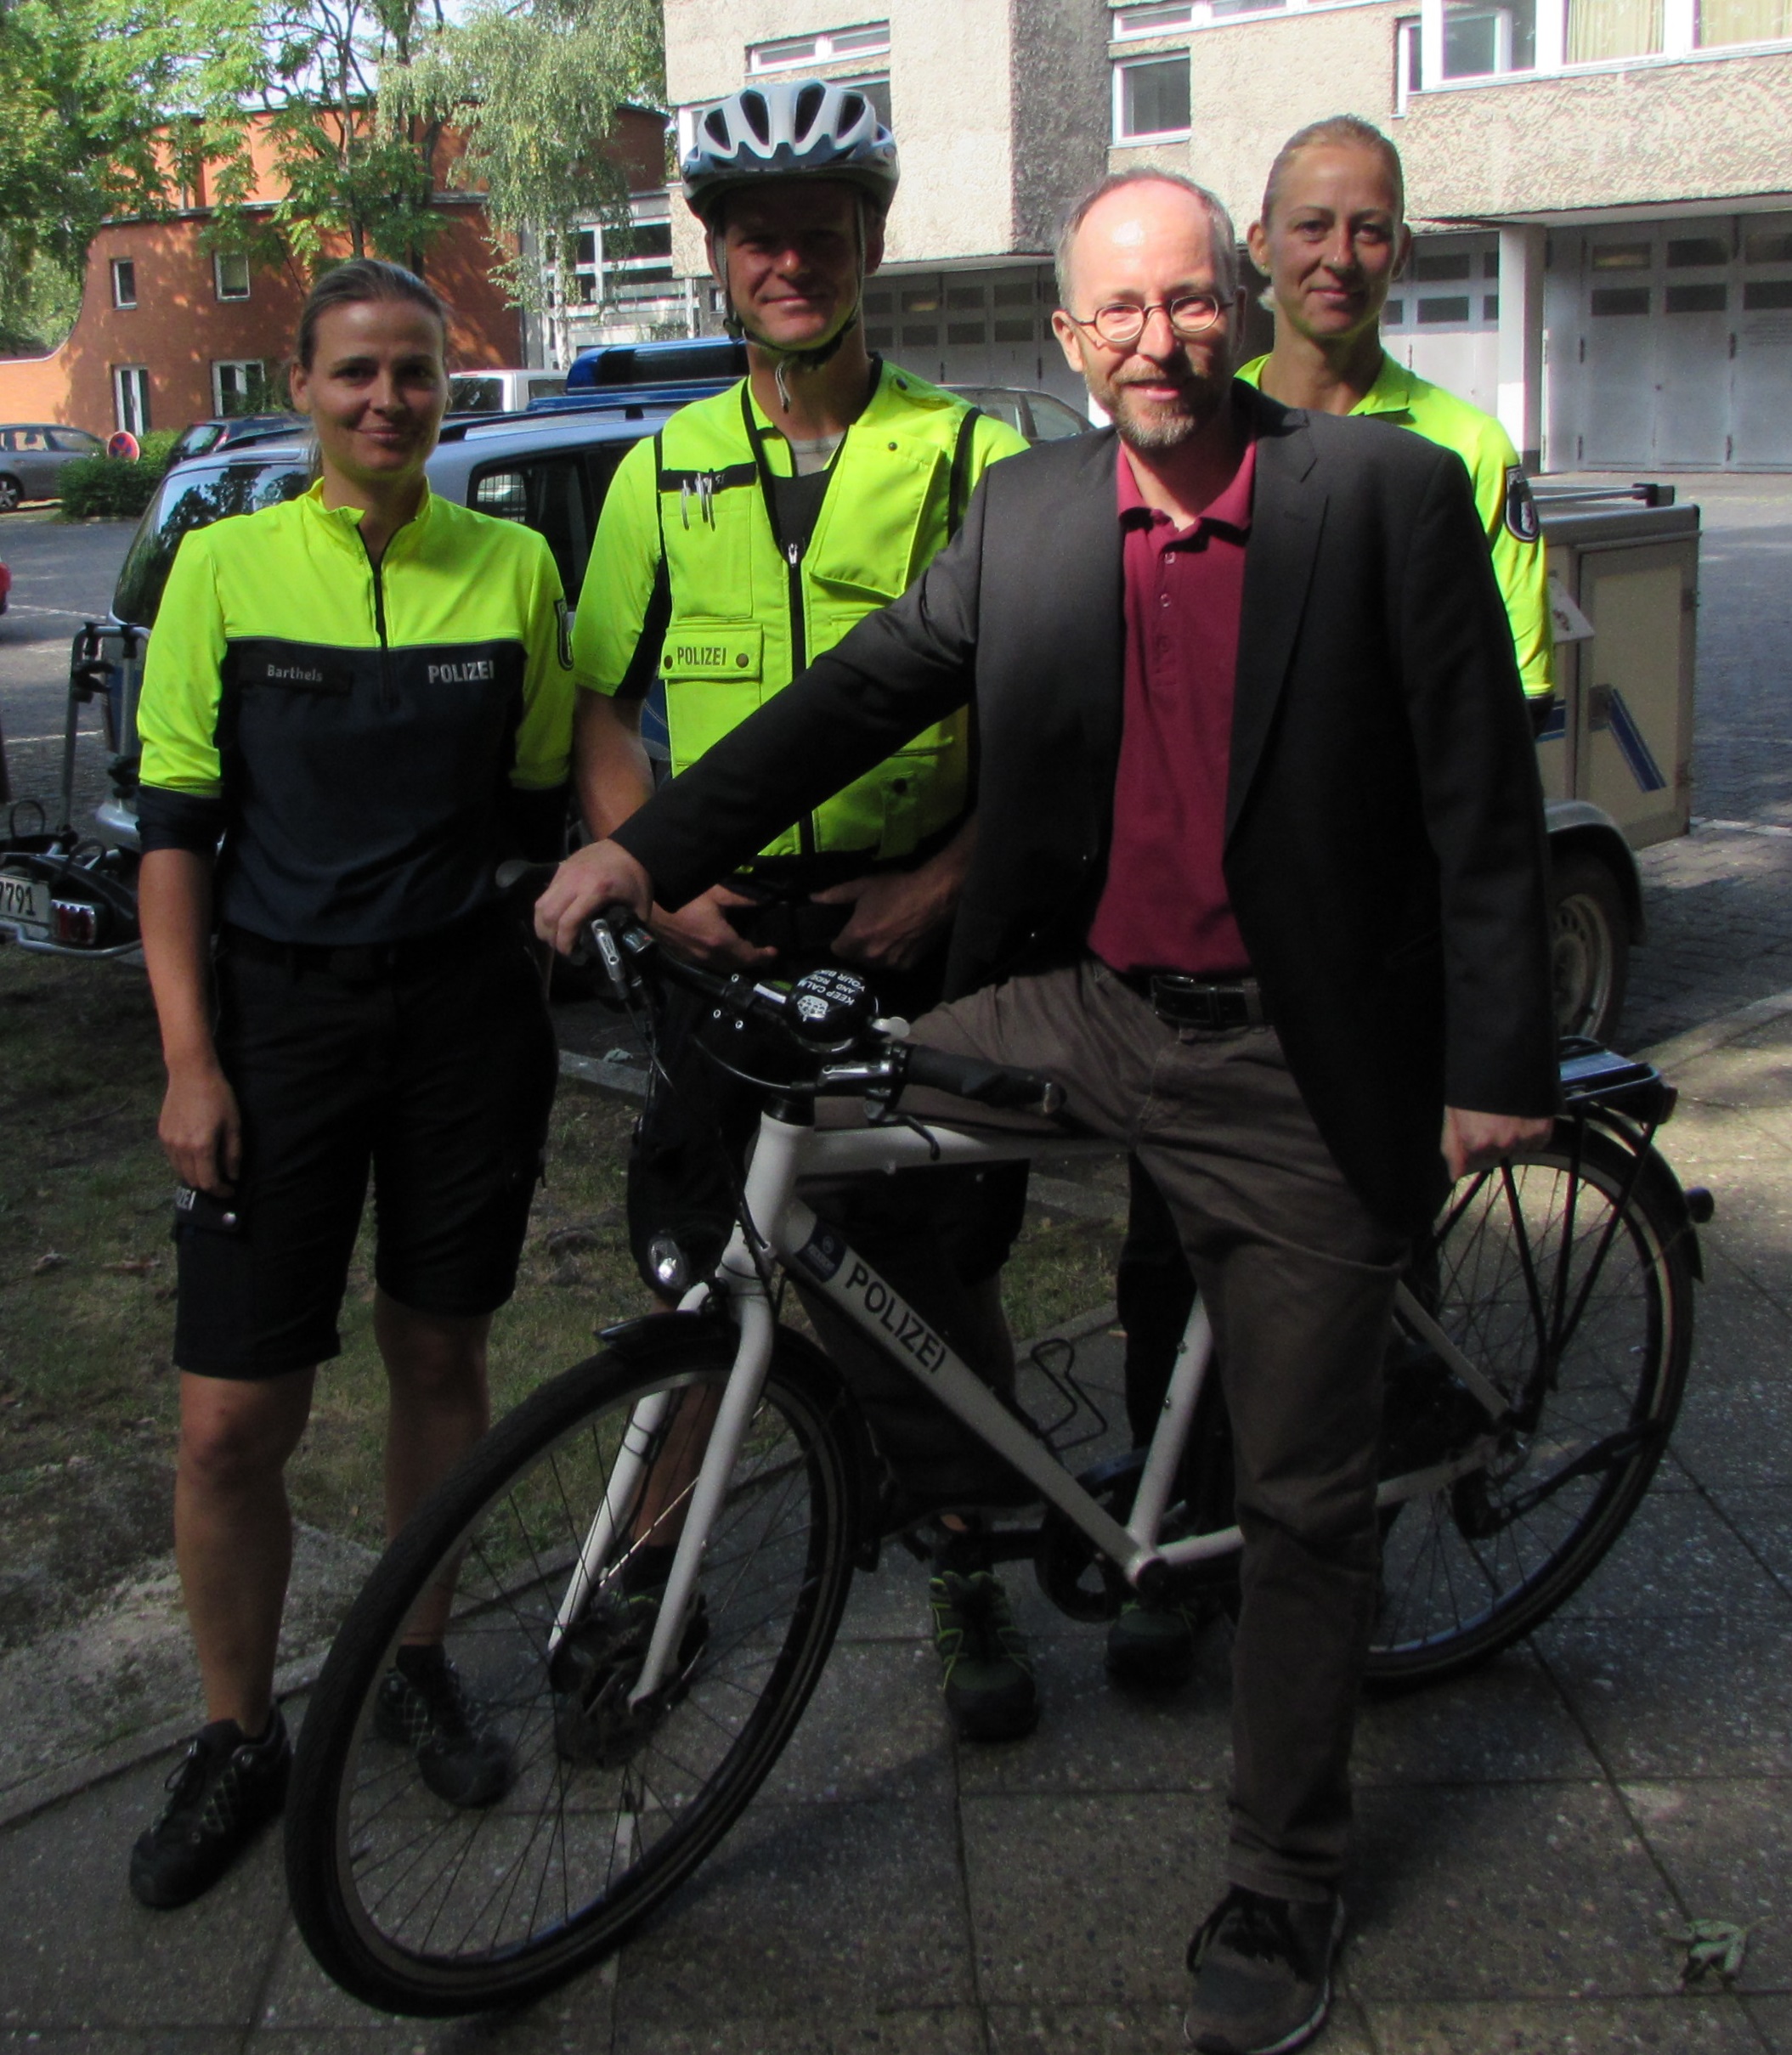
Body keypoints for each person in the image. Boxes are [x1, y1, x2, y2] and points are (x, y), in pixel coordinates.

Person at [539, 168, 1557, 2055]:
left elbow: (1482, 796)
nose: (1152, 343)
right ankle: (979, 1527)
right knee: (813, 1123)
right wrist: (639, 851)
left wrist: (1492, 1065)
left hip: (1291, 1054)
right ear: (1070, 339)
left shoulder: (1381, 498)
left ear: (1238, 306)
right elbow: (847, 698)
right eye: (1115, 315)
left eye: (1186, 303)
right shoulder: (1025, 518)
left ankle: (1281, 1874)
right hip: (1087, 1008)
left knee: (1300, 1498)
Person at [571, 78, 1037, 1742]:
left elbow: (1054, 714)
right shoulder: (660, 466)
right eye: (756, 236)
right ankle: (650, 1573)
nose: (788, 261)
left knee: (930, 1263)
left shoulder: (972, 451)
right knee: (705, 1264)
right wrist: (662, 878)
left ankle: (969, 1551)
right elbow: (599, 710)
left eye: (819, 233)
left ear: (871, 244)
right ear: (712, 257)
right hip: (725, 939)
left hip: (905, 925)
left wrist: (941, 880)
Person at [128, 257, 574, 1909]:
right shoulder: (225, 568)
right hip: (275, 1027)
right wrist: (189, 1059)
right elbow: (176, 832)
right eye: (354, 373)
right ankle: (238, 1732)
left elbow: (538, 800)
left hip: (466, 1022)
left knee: (439, 1349)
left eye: (415, 373)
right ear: (301, 388)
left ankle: (416, 1657)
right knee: (232, 1420)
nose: (386, 400)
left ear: (449, 388)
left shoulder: (516, 566)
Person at [1111, 113, 1561, 1685]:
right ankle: (1175, 1541)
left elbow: (1485, 768)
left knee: (1357, 1304)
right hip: (1197, 969)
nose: (1336, 257)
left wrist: (1477, 1031)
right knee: (1163, 1272)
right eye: (1308, 225)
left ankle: (1331, 1589)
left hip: (1364, 969)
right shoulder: (1186, 430)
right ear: (1256, 247)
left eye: (1367, 229)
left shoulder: (1455, 456)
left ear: (1401, 251)